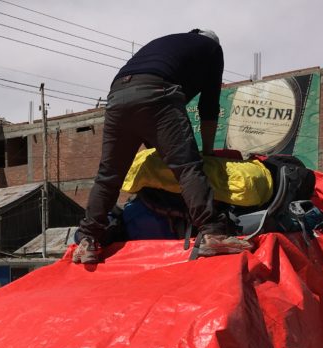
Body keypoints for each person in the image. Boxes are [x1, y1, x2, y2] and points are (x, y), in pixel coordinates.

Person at [73, 29, 253, 264]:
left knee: (108, 176)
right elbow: (208, 108)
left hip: (117, 97)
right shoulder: (212, 50)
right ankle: (213, 233)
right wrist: (208, 153)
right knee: (187, 167)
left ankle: (88, 240)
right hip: (157, 92)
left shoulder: (172, 44)